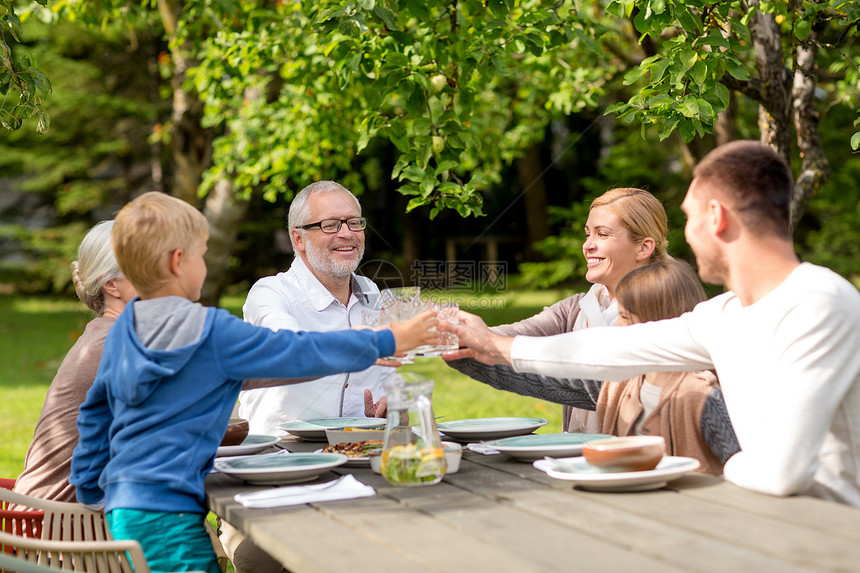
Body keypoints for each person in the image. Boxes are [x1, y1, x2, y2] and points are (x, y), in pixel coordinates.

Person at [444, 140, 860, 506]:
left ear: (715, 217)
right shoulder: (725, 315)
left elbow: (781, 474)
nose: (686, 236)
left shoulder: (817, 304)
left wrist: (700, 469)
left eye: (688, 217)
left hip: (829, 532)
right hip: (759, 520)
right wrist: (494, 347)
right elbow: (613, 348)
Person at [69, 191, 438, 573]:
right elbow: (299, 353)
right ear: (179, 262)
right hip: (170, 515)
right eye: (203, 254)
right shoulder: (208, 331)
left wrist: (91, 484)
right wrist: (391, 338)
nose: (207, 266)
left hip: (127, 506)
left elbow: (96, 412)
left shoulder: (126, 328)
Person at [447, 187, 669, 433]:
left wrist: (485, 343)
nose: (588, 246)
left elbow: (602, 386)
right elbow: (513, 335)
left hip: (647, 465)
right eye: (588, 234)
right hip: (576, 464)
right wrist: (452, 334)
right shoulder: (575, 309)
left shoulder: (669, 316)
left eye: (603, 234)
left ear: (643, 248)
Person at [239, 180, 394, 435]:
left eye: (354, 222)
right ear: (298, 239)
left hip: (357, 450)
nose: (347, 233)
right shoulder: (270, 293)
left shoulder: (370, 291)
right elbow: (293, 350)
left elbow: (387, 376)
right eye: (330, 225)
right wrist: (363, 344)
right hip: (281, 457)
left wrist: (390, 405)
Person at [14, 221, 137, 502]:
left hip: (56, 518)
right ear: (111, 285)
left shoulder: (107, 333)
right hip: (62, 529)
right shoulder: (118, 344)